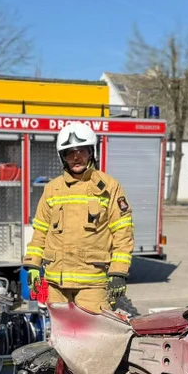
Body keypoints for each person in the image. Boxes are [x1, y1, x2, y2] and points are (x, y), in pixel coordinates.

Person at [22, 122, 134, 312]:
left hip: (92, 285)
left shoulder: (109, 187)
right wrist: (33, 265)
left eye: (81, 151)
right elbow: (40, 231)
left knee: (94, 336)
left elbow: (123, 233)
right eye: (69, 152)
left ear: (91, 152)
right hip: (56, 283)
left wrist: (118, 271)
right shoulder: (53, 189)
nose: (76, 157)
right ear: (62, 156)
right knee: (61, 337)